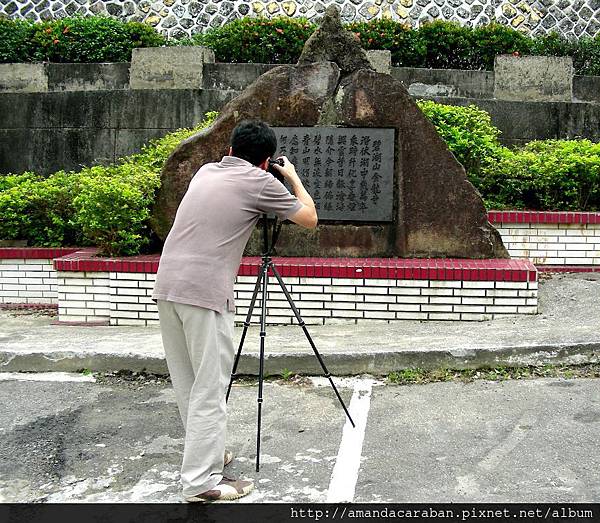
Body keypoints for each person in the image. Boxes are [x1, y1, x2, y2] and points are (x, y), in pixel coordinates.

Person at [152, 120, 318, 502]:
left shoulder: (207, 171)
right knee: (210, 390)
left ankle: (207, 456)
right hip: (205, 294)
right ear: (264, 162)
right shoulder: (260, 182)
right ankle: (200, 484)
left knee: (189, 384)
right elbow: (309, 217)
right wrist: (291, 177)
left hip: (168, 286)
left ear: (230, 148)